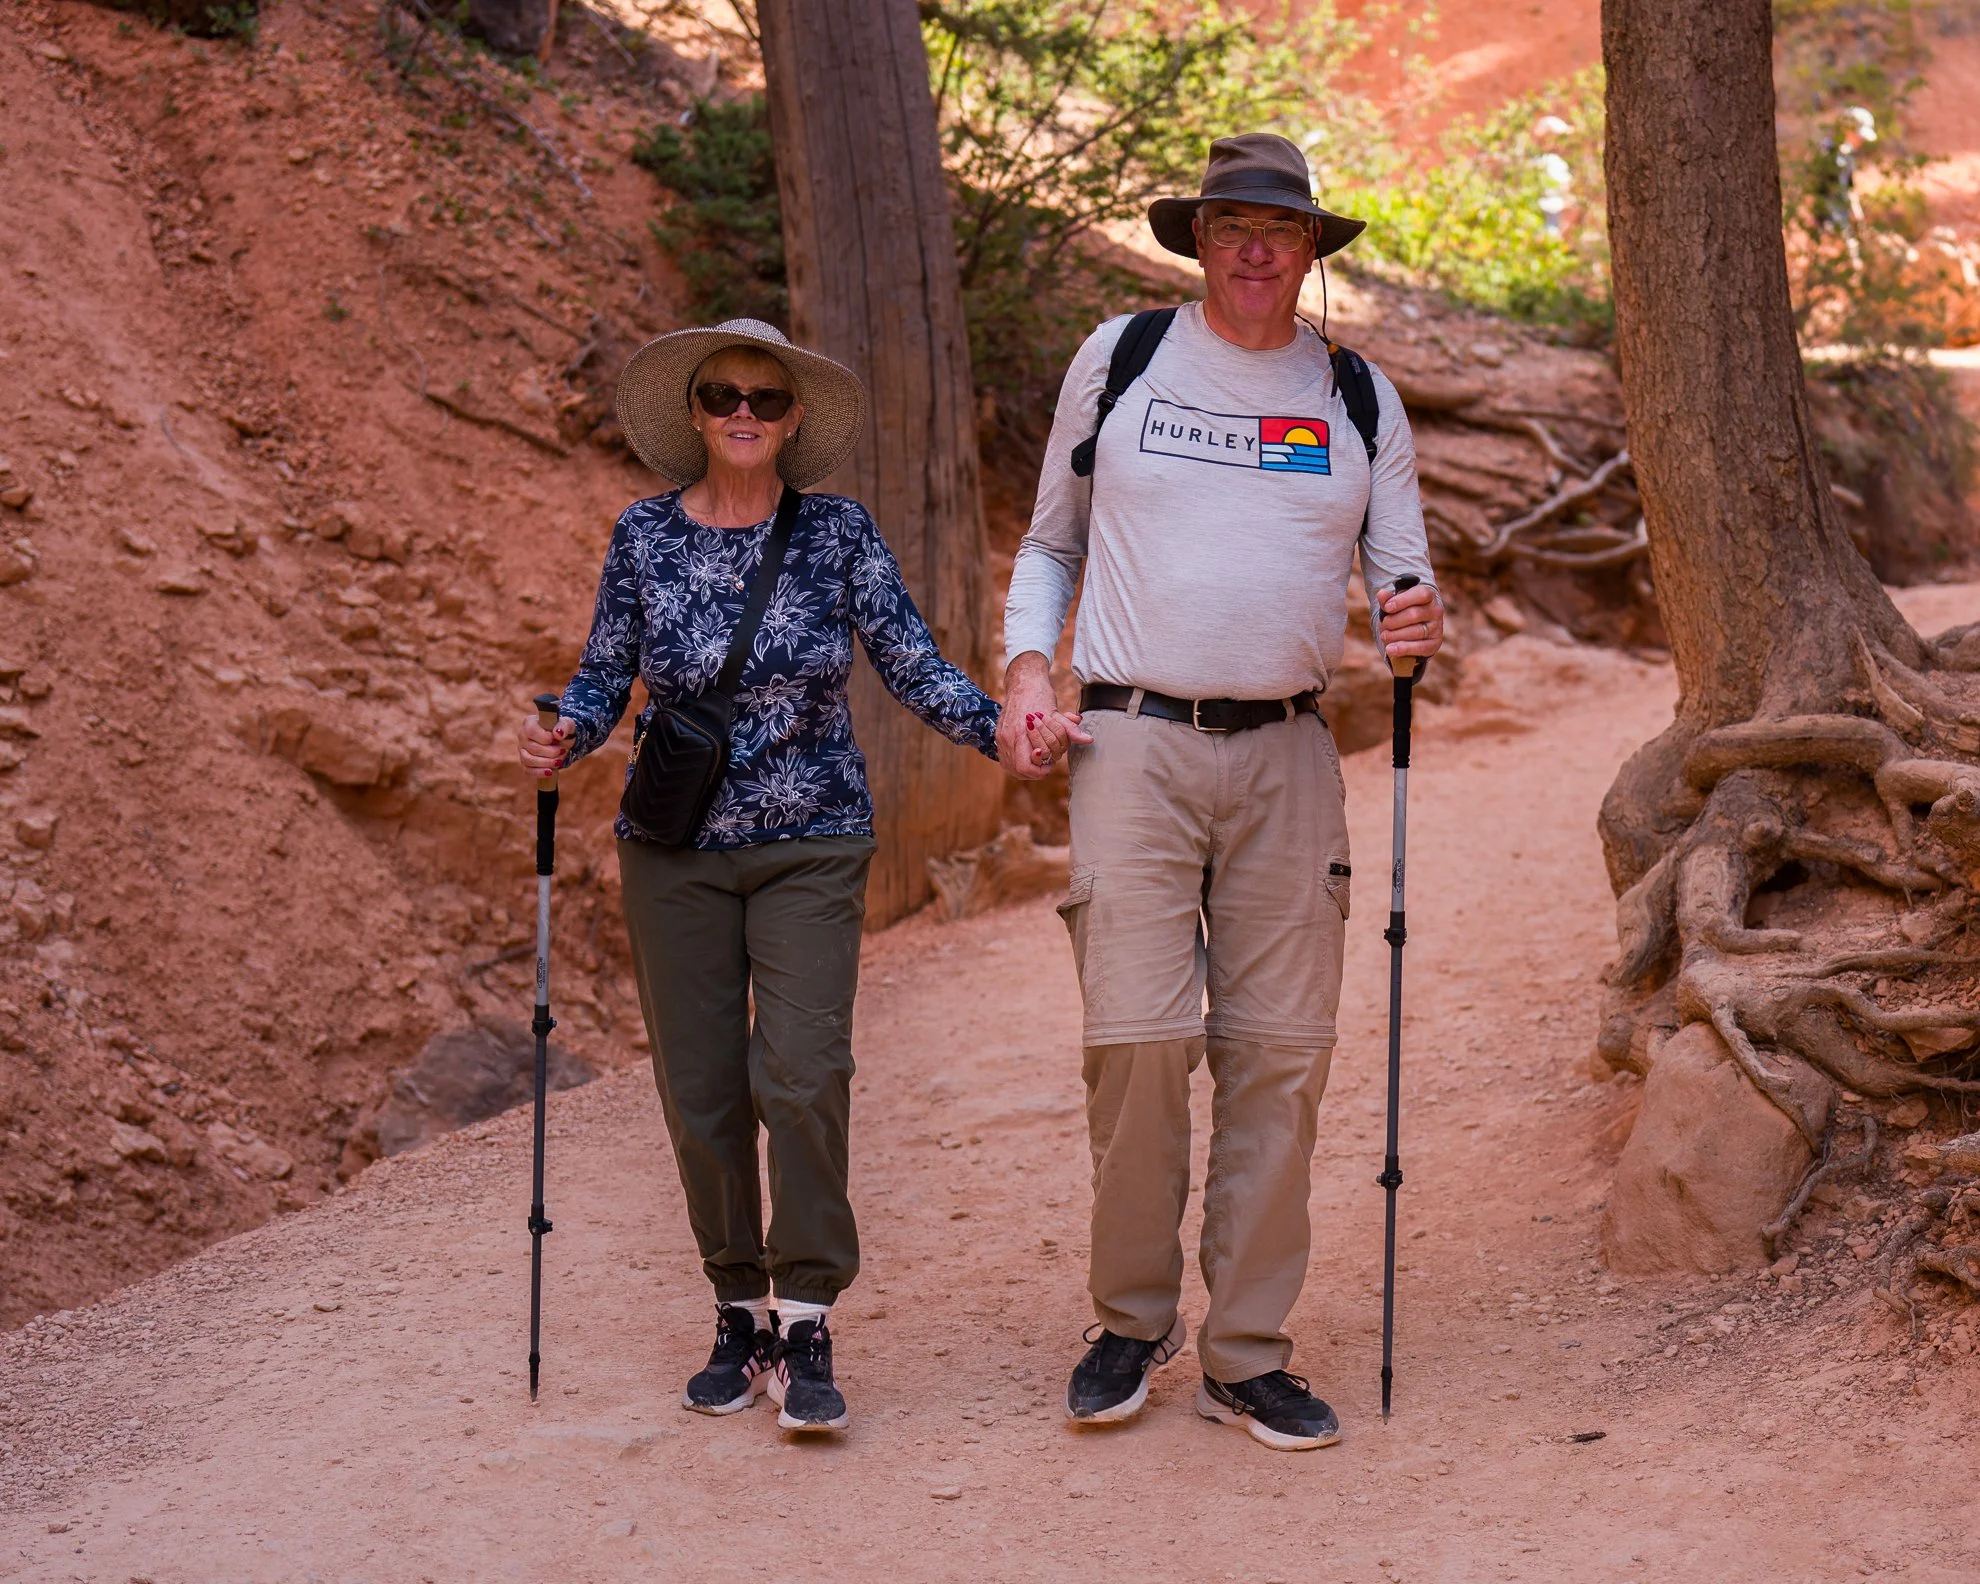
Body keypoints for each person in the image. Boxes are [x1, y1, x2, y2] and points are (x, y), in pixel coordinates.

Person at [999, 133, 1446, 1450]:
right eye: (1232, 224)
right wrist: (1028, 667)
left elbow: (1404, 578)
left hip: (1290, 754)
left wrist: (1416, 623)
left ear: (1311, 250)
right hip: (1129, 741)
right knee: (1136, 1045)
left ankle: (1247, 1351)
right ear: (1196, 239)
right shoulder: (1123, 359)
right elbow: (1050, 542)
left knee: (1281, 1054)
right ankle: (1132, 1321)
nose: (1256, 247)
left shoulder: (1356, 395)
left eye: (1281, 228)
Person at [518, 318, 1002, 1433]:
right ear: (694, 415)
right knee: (702, 1091)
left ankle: (809, 1315)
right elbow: (604, 676)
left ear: (792, 423)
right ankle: (738, 1311)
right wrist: (565, 732)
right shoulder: (643, 534)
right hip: (674, 851)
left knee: (803, 1072)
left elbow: (911, 662)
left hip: (813, 840)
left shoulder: (837, 533)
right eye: (723, 395)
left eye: (767, 399)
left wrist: (1000, 731)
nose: (744, 412)